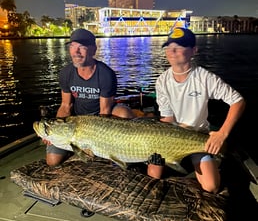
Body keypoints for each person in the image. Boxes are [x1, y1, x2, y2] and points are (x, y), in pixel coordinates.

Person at [155, 27, 246, 193]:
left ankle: (213, 159)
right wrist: (153, 143)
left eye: (179, 47)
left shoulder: (205, 77)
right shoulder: (162, 81)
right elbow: (167, 118)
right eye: (169, 47)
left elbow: (238, 101)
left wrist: (222, 134)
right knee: (153, 175)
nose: (172, 52)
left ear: (193, 51)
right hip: (170, 137)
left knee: (211, 186)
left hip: (197, 137)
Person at [44, 28, 135, 166]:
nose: (76, 52)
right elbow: (65, 106)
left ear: (93, 50)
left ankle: (122, 149)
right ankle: (71, 146)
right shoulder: (66, 73)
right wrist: (53, 133)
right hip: (77, 120)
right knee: (52, 161)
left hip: (100, 117)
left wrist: (94, 140)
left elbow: (105, 112)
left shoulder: (106, 74)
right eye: (73, 46)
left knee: (124, 113)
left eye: (82, 47)